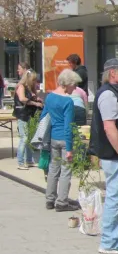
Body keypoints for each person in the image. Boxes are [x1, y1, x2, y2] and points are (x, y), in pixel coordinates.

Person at [89, 58, 118, 254]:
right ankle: (109, 242)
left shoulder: (115, 92)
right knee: (115, 199)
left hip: (114, 155)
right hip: (115, 156)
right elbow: (110, 128)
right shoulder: (108, 94)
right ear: (112, 73)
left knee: (116, 197)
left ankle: (114, 235)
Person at [42, 70, 80, 212]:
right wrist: (70, 148)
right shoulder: (68, 101)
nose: (75, 88)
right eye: (74, 85)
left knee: (53, 168)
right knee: (66, 171)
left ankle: (49, 199)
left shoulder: (50, 97)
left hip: (53, 137)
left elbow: (44, 117)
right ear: (67, 84)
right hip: (65, 139)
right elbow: (68, 126)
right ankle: (62, 202)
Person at [13, 65, 43, 170]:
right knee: (24, 138)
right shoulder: (21, 86)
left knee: (29, 137)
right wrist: (35, 103)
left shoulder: (29, 88)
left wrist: (37, 98)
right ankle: (20, 162)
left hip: (29, 114)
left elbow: (32, 97)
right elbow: (22, 99)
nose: (35, 81)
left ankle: (29, 160)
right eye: (34, 79)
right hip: (22, 114)